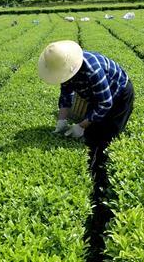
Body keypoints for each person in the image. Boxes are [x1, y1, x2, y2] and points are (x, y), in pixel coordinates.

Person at [38, 40, 135, 190]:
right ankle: (91, 166)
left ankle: (101, 176)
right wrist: (61, 120)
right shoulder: (66, 71)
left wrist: (81, 126)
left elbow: (105, 103)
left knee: (107, 137)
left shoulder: (92, 70)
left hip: (119, 95)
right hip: (96, 95)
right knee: (92, 134)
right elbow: (66, 94)